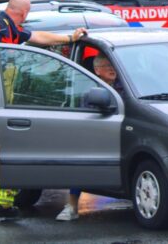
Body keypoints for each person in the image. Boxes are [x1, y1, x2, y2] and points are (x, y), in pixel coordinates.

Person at [0, 0, 87, 226]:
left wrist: (69, 38)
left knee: (8, 150)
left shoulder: (14, 29)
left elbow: (38, 37)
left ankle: (2, 203)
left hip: (2, 91)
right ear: (24, 12)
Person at [56, 54, 120, 221]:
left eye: (113, 65)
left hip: (122, 133)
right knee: (79, 161)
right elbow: (87, 118)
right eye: (106, 66)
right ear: (97, 70)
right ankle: (71, 206)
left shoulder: (124, 86)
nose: (112, 68)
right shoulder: (90, 90)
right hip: (97, 135)